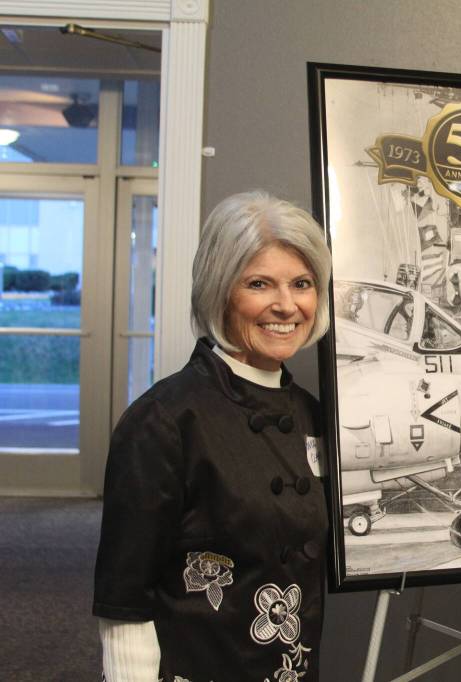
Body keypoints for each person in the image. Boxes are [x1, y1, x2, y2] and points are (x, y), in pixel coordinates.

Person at [93, 191, 333, 681]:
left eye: (302, 284)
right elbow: (125, 596)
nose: (286, 306)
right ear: (220, 290)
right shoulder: (164, 419)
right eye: (260, 284)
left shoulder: (314, 415)